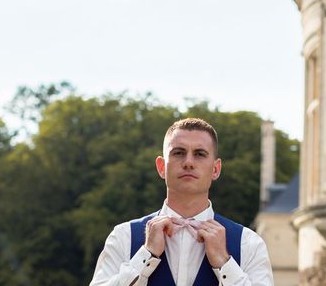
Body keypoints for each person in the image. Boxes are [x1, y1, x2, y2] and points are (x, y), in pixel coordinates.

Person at [90, 118, 274, 286]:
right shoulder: (124, 237)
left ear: (216, 169)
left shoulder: (248, 243)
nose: (188, 162)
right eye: (178, 153)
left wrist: (224, 262)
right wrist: (146, 255)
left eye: (200, 154)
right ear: (161, 167)